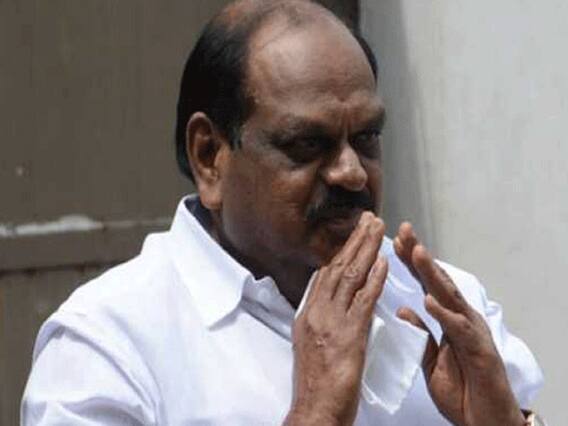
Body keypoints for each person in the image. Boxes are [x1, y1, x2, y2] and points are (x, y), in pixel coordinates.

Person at [21, 1, 544, 425]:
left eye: (366, 137)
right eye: (307, 144)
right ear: (210, 156)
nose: (351, 173)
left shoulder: (443, 310)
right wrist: (316, 413)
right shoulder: (106, 346)